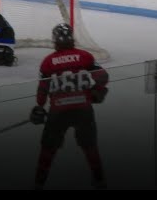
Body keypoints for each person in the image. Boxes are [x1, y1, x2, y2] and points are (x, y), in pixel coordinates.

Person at [30, 23, 110, 190]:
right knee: (90, 146)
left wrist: (39, 107)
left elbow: (42, 89)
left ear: (55, 40)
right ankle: (99, 180)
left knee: (48, 149)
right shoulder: (85, 56)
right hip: (83, 109)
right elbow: (103, 75)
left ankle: (39, 184)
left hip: (58, 112)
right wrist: (97, 91)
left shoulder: (48, 62)